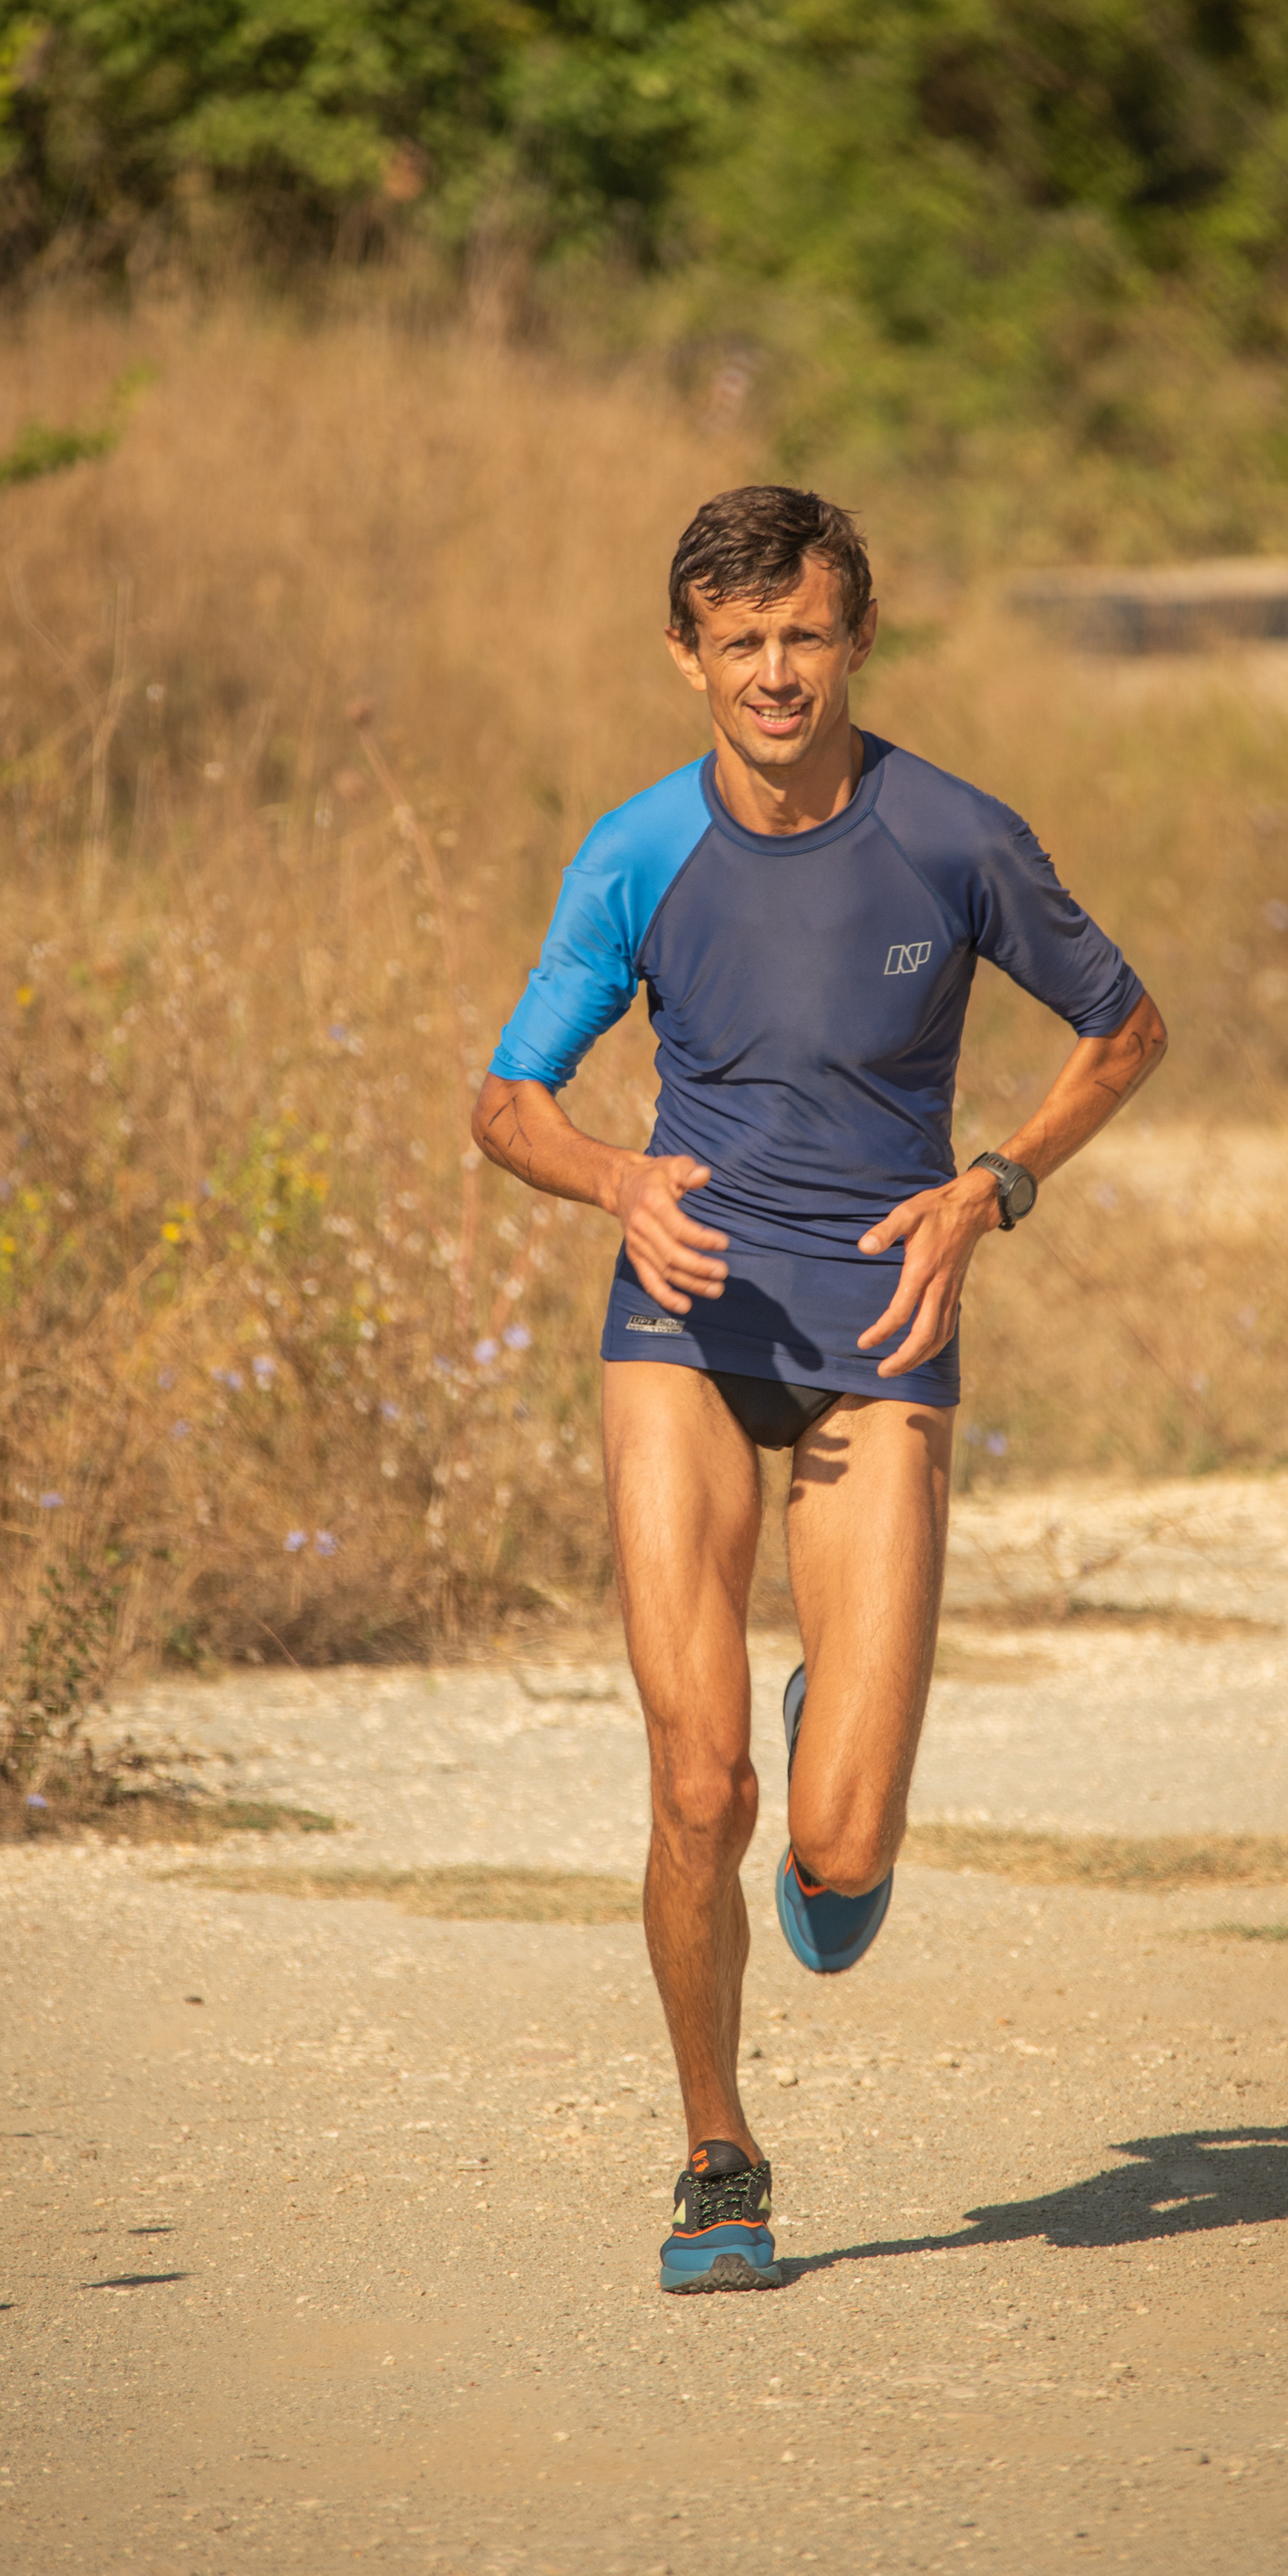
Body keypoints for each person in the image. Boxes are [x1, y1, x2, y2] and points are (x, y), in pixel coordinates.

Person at [472, 486, 1166, 2292]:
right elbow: (506, 1102)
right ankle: (717, 2154)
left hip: (881, 1337)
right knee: (695, 1788)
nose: (773, 673)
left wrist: (994, 1181)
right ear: (686, 652)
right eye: (739, 640)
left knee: (838, 1856)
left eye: (804, 635)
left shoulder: (952, 837)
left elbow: (1124, 1026)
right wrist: (616, 1182)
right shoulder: (638, 855)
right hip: (681, 1338)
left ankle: (828, 1785)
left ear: (858, 639)